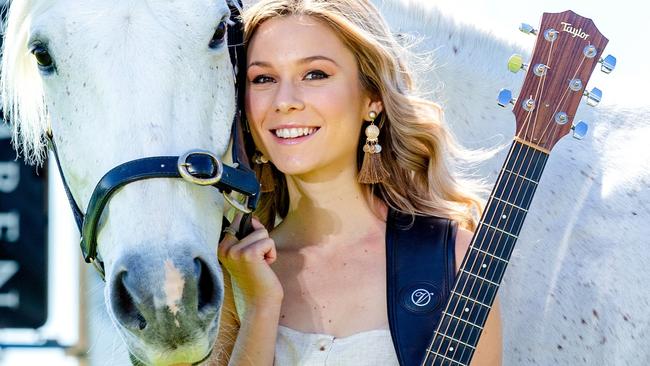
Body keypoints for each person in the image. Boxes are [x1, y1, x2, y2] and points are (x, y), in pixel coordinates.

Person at [212, 0, 502, 365]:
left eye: (315, 74)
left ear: (372, 99)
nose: (284, 101)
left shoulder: (450, 259)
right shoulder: (235, 269)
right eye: (263, 79)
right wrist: (260, 308)